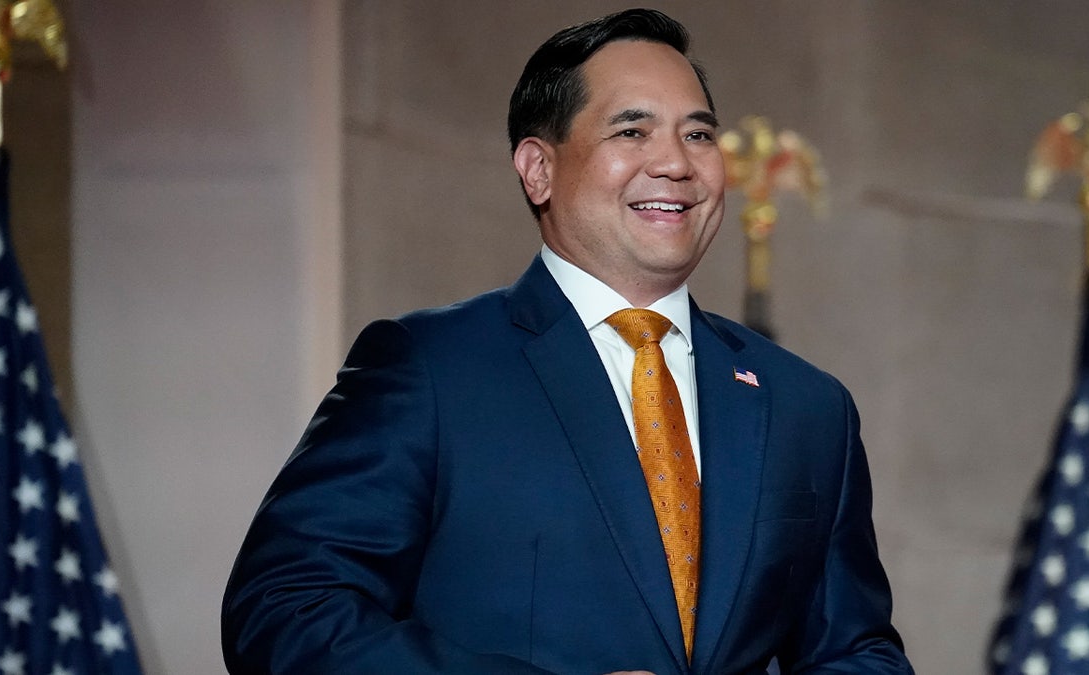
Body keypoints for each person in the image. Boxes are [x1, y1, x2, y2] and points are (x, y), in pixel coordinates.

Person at [221, 8, 913, 674]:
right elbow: (284, 610)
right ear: (538, 168)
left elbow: (857, 650)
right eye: (633, 132)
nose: (676, 162)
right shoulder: (430, 370)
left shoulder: (807, 405)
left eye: (699, 135)